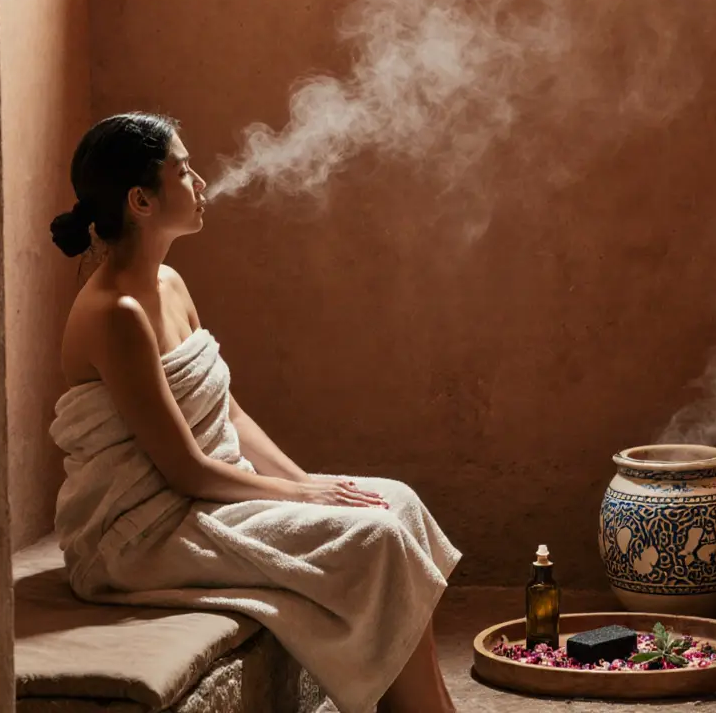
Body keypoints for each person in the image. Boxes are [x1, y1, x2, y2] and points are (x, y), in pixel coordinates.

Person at [46, 112, 460, 713]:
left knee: (397, 503)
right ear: (140, 199)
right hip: (143, 531)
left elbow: (229, 415)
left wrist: (306, 481)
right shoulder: (117, 315)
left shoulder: (170, 284)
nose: (201, 182)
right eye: (183, 170)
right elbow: (185, 471)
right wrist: (303, 499)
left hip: (202, 497)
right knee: (376, 538)